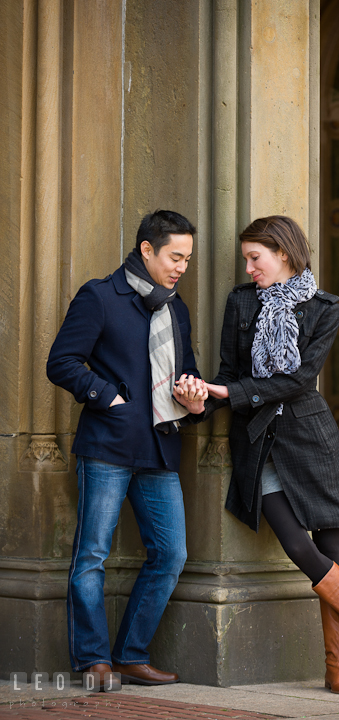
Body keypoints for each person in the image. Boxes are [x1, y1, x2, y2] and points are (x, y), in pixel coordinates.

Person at [176, 216, 339, 694]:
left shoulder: (326, 309)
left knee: (332, 552)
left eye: (254, 257)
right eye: (245, 258)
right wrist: (201, 402)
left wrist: (228, 390)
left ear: (283, 253)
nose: (248, 267)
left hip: (311, 436)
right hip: (258, 438)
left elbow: (300, 379)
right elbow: (227, 372)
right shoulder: (240, 302)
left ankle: (336, 668)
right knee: (297, 546)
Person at [47, 210, 207, 690]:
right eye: (175, 256)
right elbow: (62, 362)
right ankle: (94, 660)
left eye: (187, 259)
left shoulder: (176, 309)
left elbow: (188, 373)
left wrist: (194, 400)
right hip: (107, 445)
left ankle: (131, 654)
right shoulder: (100, 296)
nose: (181, 267)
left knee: (171, 554)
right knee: (92, 555)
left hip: (160, 449)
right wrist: (107, 397)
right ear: (146, 250)